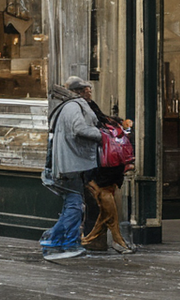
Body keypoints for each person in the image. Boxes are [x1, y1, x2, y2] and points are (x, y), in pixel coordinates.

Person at [39, 76, 101, 261]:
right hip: (71, 165)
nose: (90, 93)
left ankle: (60, 241)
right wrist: (101, 134)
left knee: (73, 203)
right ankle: (58, 241)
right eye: (87, 90)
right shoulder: (74, 106)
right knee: (75, 204)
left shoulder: (68, 106)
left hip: (68, 163)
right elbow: (79, 129)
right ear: (79, 92)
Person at [77, 83, 133, 254]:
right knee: (105, 201)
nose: (89, 92)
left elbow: (84, 129)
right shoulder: (84, 106)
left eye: (88, 90)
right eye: (85, 90)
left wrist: (103, 134)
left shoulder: (83, 107)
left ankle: (107, 239)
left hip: (101, 162)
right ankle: (112, 240)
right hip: (106, 161)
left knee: (105, 200)